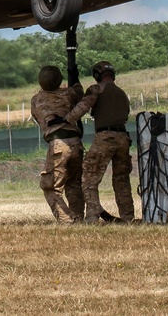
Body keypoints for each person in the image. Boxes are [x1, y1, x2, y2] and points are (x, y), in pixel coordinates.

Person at [63, 60, 136, 224]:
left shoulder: (96, 89)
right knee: (121, 180)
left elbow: (83, 107)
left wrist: (65, 119)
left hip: (105, 137)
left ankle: (92, 217)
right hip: (123, 138)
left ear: (97, 75)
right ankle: (128, 217)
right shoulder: (122, 93)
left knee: (89, 177)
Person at [30, 64, 85, 224]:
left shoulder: (36, 100)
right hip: (76, 142)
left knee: (50, 186)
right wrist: (73, 74)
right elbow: (79, 93)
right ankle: (78, 218)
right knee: (74, 183)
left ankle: (66, 220)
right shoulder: (69, 94)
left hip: (57, 144)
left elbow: (38, 118)